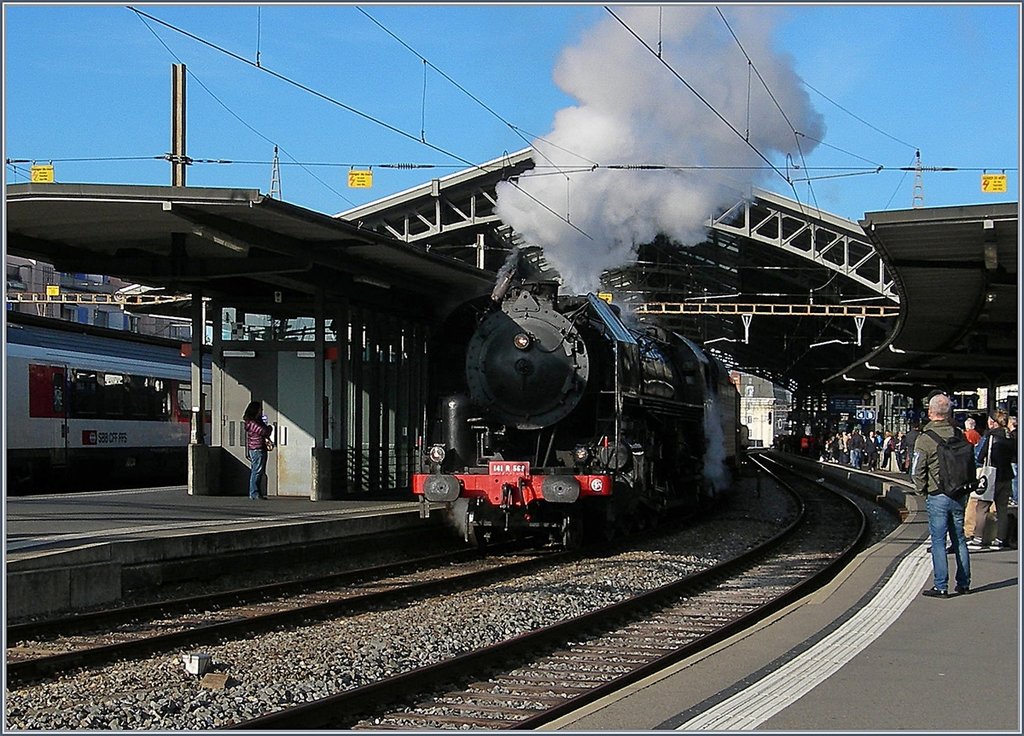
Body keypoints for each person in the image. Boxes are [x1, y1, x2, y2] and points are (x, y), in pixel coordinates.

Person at [911, 392, 970, 597]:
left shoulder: (925, 438)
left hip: (937, 495)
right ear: (948, 413)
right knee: (959, 539)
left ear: (930, 412)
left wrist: (920, 490)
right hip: (959, 493)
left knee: (938, 541)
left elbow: (917, 469)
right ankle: (963, 583)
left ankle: (941, 586)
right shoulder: (958, 433)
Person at [969, 409, 1016, 549]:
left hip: (991, 474)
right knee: (1002, 509)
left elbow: (980, 456)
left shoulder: (990, 437)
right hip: (1006, 475)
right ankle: (1000, 540)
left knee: (982, 507)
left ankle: (978, 538)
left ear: (994, 422)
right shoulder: (1010, 437)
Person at [243, 400, 274, 500]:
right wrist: (269, 428)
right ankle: (254, 493)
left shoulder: (253, 422)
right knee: (257, 471)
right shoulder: (252, 423)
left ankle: (256, 492)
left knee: (258, 470)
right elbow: (264, 431)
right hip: (257, 448)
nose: (261, 411)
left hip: (257, 448)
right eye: (259, 409)